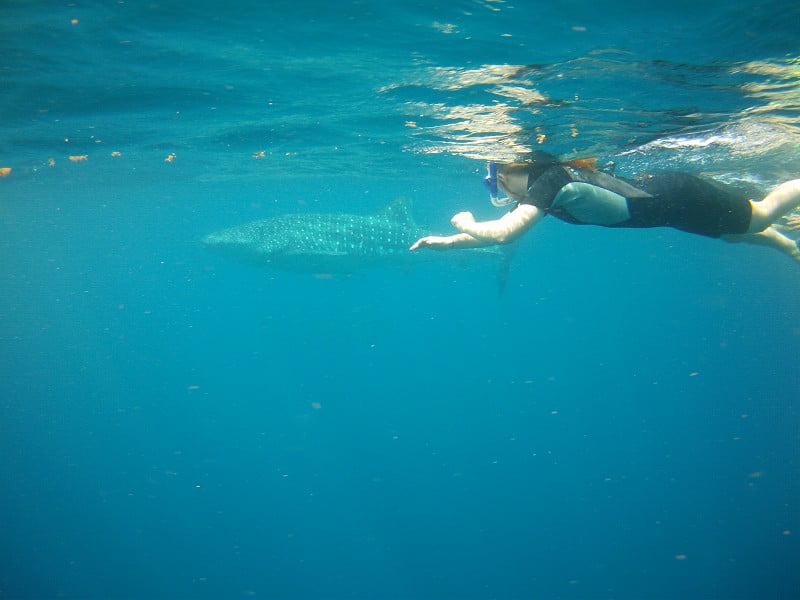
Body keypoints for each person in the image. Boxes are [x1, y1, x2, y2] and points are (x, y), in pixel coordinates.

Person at [409, 151, 800, 263]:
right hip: (666, 211)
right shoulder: (539, 194)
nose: (496, 187)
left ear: (514, 169)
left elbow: (502, 233)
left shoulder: (549, 182)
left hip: (677, 198)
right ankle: (788, 246)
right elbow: (492, 236)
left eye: (495, 178)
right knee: (733, 234)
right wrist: (445, 242)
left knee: (761, 215)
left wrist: (464, 220)